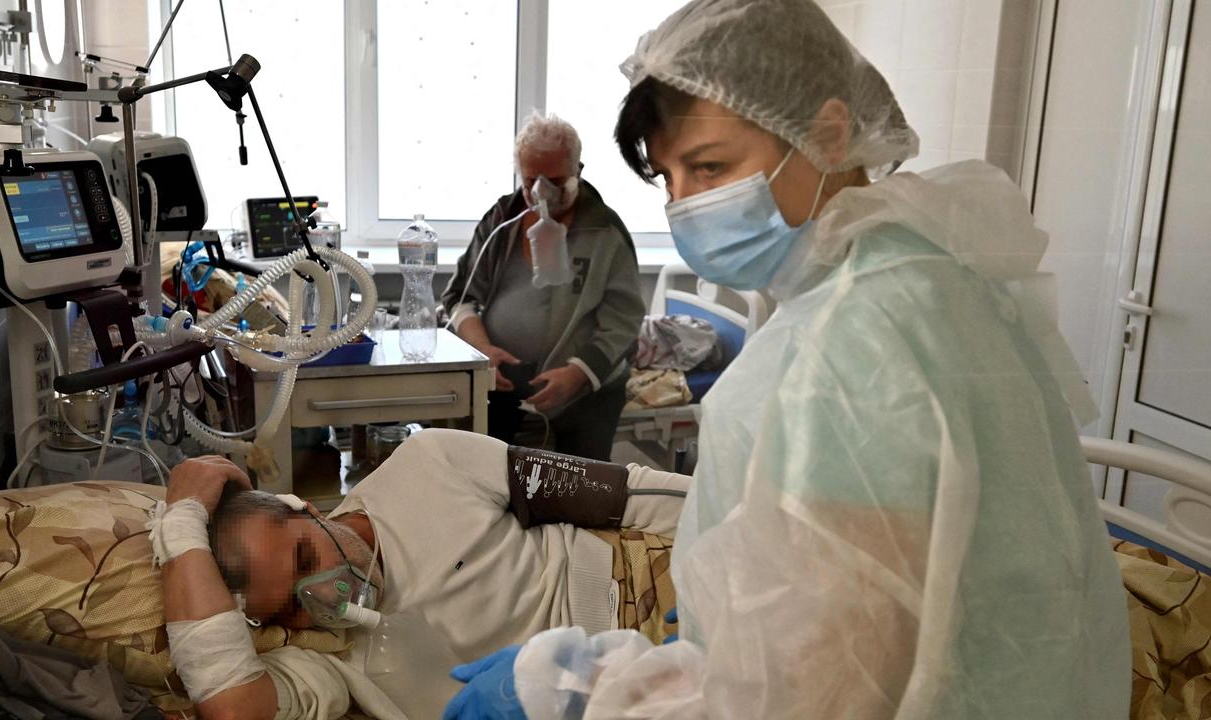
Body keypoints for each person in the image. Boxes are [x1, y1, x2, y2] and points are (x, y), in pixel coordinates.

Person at [445, 0, 1132, 718]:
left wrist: (586, 695)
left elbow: (814, 697)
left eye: (710, 167)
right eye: (670, 179)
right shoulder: (925, 275)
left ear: (827, 133)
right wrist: (753, 603)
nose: (685, 208)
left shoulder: (858, 341)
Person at [153, 428, 687, 719]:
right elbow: (233, 708)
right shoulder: (322, 651)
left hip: (649, 576)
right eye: (293, 604)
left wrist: (748, 534)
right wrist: (182, 530)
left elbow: (625, 494)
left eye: (306, 558)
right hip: (605, 696)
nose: (327, 595)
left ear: (311, 509)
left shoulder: (429, 465)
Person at [442, 113, 647, 461]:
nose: (540, 194)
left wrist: (579, 373)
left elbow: (624, 321)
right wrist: (483, 349)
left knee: (579, 491)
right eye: (529, 181)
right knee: (490, 479)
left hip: (586, 392)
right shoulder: (501, 220)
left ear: (578, 170)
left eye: (554, 180)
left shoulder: (605, 232)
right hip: (500, 383)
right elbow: (460, 298)